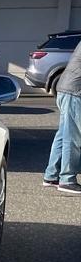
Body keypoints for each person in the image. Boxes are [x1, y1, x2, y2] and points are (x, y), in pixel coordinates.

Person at [43, 40, 81, 194]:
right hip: (75, 92)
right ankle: (67, 179)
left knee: (63, 134)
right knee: (74, 138)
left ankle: (51, 175)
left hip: (66, 89)